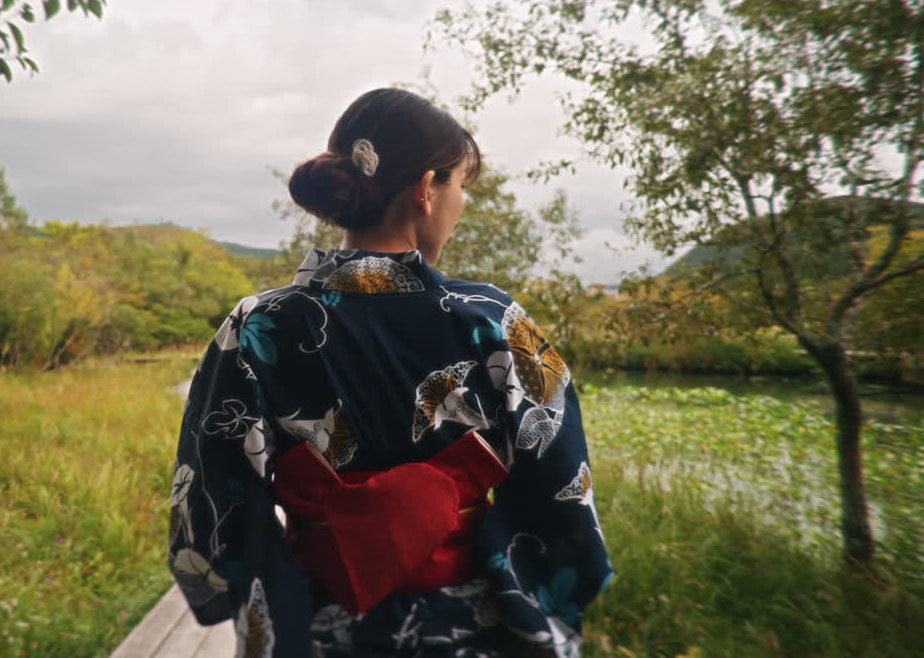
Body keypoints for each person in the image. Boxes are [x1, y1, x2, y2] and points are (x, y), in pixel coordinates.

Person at [168, 88, 612, 658]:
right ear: (428, 189)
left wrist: (239, 592)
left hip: (314, 628)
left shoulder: (257, 326)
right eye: (461, 187)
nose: (461, 204)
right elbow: (563, 490)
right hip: (477, 631)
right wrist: (548, 585)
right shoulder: (494, 321)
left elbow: (210, 500)